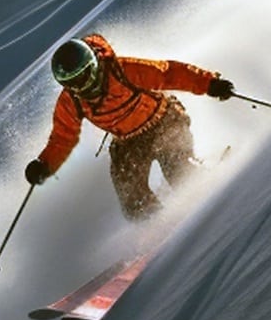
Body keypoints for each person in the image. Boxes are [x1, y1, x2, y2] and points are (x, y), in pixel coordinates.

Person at [25, 32, 233, 222]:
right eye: (71, 83)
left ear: (93, 65)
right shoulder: (71, 101)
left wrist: (209, 83)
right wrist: (45, 165)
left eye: (82, 77)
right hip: (128, 142)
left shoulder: (123, 70)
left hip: (163, 121)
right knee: (131, 196)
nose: (80, 86)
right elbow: (63, 137)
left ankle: (209, 187)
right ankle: (156, 225)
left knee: (178, 172)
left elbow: (168, 74)